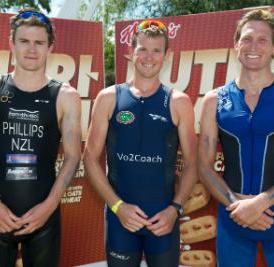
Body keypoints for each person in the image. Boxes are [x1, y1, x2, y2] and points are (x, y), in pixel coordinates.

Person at [198, 9, 274, 267]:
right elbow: (204, 167)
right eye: (247, 38)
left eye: (262, 40)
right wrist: (237, 205)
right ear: (236, 44)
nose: (254, 46)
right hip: (233, 215)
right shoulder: (214, 100)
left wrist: (260, 203)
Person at [0, 8, 81, 267]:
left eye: (39, 42)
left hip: (44, 220)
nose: (32, 49)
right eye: (24, 41)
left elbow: (73, 156)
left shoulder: (66, 96)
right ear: (11, 43)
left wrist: (49, 206)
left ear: (50, 47)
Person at [84, 19, 197, 267]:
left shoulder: (179, 102)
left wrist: (175, 209)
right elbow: (90, 157)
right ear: (130, 53)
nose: (149, 57)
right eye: (142, 49)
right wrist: (117, 206)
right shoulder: (109, 98)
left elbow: (192, 163)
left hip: (163, 219)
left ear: (167, 55)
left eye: (157, 50)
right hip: (120, 218)